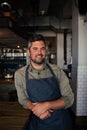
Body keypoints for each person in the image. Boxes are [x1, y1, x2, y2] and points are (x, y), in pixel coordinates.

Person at [14, 34, 74, 130]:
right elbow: (23, 100)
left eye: (42, 49)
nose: (39, 52)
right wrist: (37, 110)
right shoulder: (20, 74)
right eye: (35, 49)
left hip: (61, 122)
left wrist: (47, 105)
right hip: (37, 121)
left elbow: (69, 98)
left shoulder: (57, 70)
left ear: (45, 51)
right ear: (28, 52)